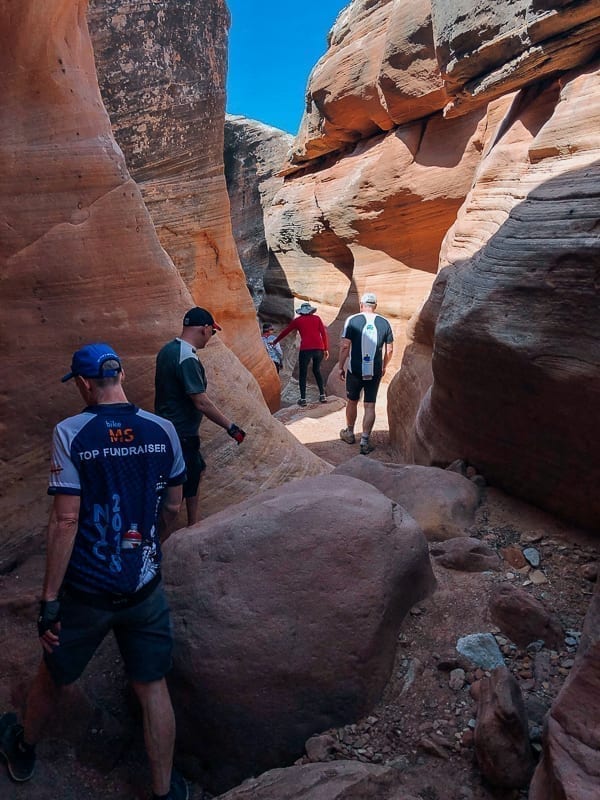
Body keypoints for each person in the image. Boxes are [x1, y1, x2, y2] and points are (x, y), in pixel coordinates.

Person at [0, 343, 189, 800]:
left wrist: (49, 600)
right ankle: (164, 792)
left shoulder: (72, 433)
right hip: (143, 587)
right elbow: (175, 506)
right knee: (152, 685)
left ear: (84, 384)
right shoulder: (163, 430)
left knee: (55, 675)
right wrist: (147, 553)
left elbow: (66, 520)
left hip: (87, 590)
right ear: (120, 374)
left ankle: (23, 748)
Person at [154, 307, 246, 527]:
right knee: (172, 501)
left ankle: (193, 525)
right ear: (205, 329)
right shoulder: (186, 357)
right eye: (212, 332)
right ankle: (157, 545)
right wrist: (231, 427)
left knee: (196, 470)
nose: (211, 337)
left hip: (170, 429)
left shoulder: (168, 350)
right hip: (180, 433)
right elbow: (201, 401)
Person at [337, 292, 394, 455]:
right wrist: (383, 366)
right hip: (374, 370)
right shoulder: (385, 322)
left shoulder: (352, 320)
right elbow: (389, 350)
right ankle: (364, 440)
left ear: (361, 305)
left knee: (352, 401)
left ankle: (349, 432)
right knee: (370, 405)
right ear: (375, 306)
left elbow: (345, 346)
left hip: (355, 369)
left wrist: (341, 366)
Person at [272, 301, 329, 406]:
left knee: (303, 373)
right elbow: (323, 334)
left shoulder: (298, 321)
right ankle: (322, 395)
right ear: (311, 310)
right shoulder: (317, 319)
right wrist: (326, 349)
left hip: (306, 349)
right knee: (316, 370)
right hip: (318, 348)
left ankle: (303, 399)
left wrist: (275, 341)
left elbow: (286, 331)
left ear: (301, 312)